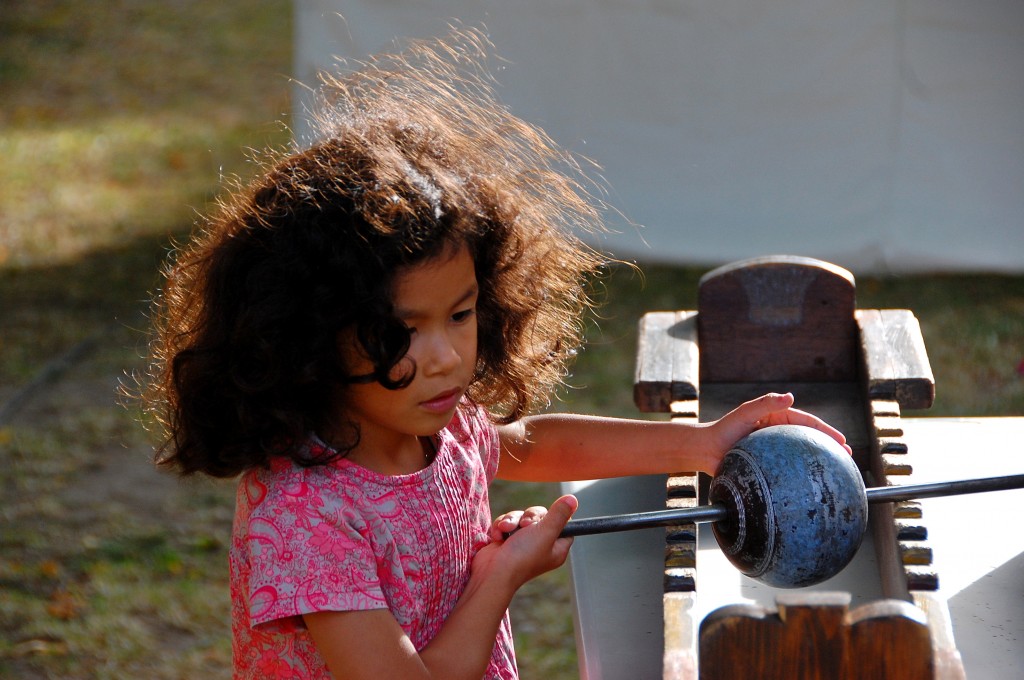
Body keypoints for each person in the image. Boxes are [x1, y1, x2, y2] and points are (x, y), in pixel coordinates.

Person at [138, 29, 850, 680]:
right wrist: (499, 580)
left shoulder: (431, 425)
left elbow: (523, 445)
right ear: (308, 332)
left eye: (461, 313)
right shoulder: (307, 517)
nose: (447, 356)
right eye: (404, 329)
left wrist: (699, 445)